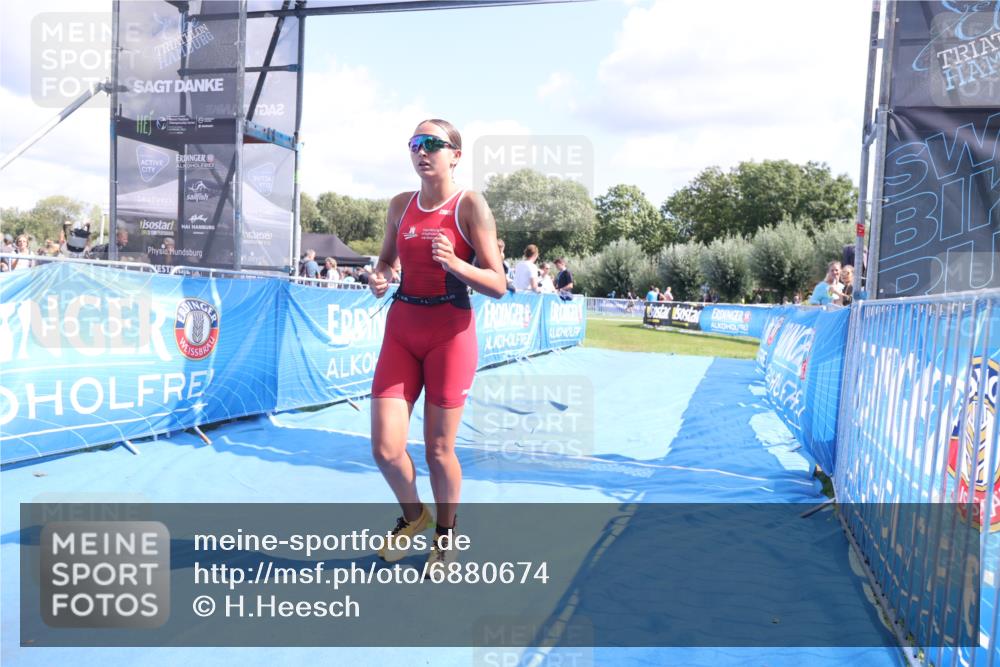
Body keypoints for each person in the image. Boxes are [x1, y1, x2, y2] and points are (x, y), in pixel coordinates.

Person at [368, 119, 507, 571]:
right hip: (402, 329)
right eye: (415, 143)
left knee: (439, 451)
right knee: (385, 450)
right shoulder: (400, 205)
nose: (422, 151)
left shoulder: (470, 205)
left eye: (432, 143)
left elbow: (498, 283)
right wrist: (380, 277)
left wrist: (456, 265)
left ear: (455, 155)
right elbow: (386, 262)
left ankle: (446, 534)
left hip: (450, 334)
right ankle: (415, 518)